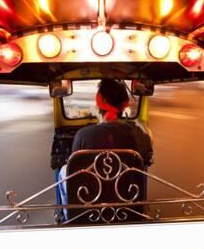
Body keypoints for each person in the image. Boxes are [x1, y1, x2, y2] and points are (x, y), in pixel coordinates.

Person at [56, 79, 154, 218]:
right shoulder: (137, 134)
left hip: (90, 204)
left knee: (64, 169)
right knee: (141, 166)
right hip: (126, 205)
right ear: (123, 106)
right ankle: (140, 209)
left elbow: (75, 171)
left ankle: (67, 215)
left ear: (98, 105)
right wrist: (141, 126)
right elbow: (148, 154)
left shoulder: (83, 135)